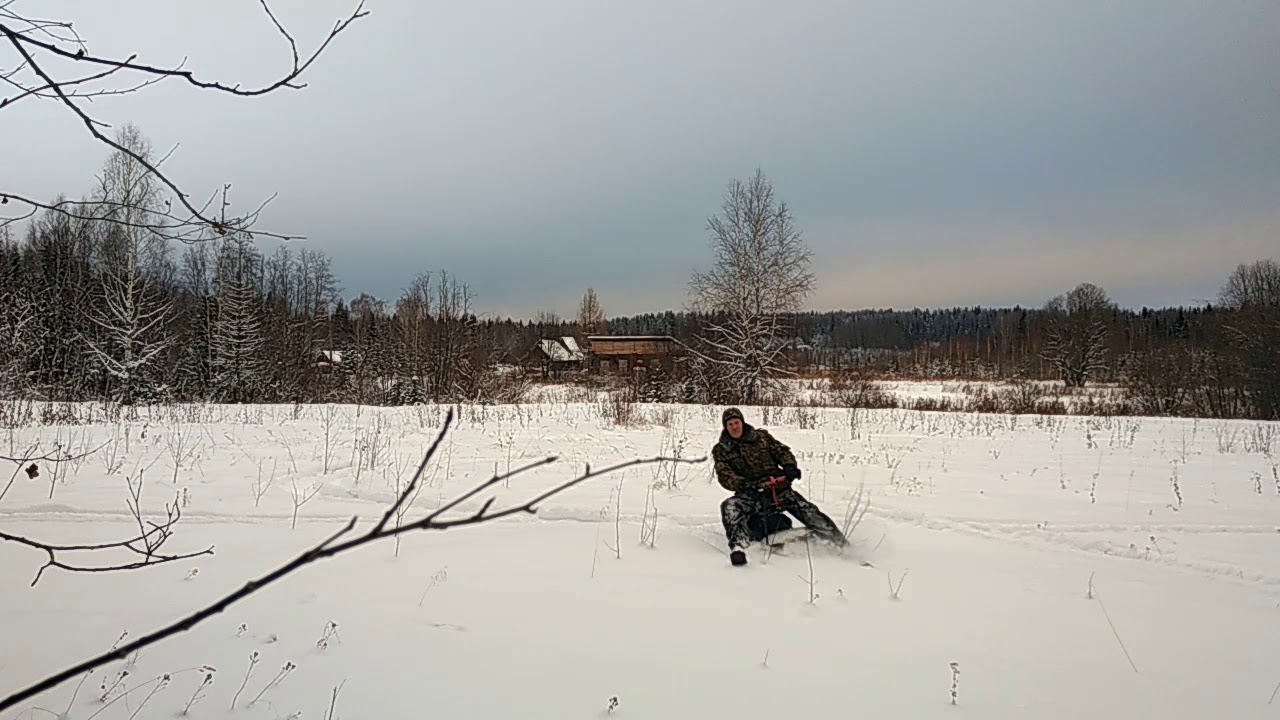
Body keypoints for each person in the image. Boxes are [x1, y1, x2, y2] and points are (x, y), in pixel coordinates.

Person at [712, 407, 847, 566]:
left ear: (742, 422)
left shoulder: (761, 437)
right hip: (751, 494)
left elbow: (782, 451)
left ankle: (841, 545)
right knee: (729, 507)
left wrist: (789, 466)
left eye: (736, 422)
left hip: (778, 489)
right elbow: (724, 474)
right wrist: (742, 484)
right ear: (725, 427)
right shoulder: (721, 450)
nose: (734, 427)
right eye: (730, 424)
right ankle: (740, 549)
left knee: (809, 511)